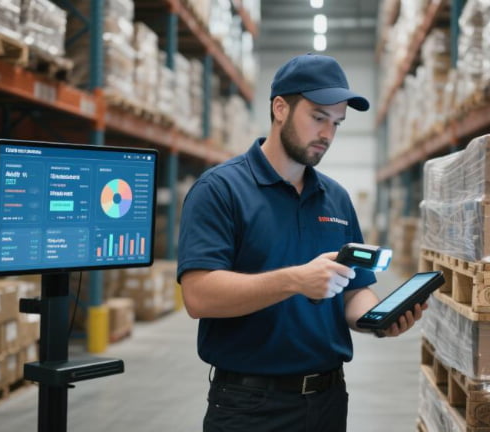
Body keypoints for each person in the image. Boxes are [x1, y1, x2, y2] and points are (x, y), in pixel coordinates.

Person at [177, 53, 427, 432]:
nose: (327, 134)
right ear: (280, 107)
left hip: (328, 400)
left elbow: (353, 291)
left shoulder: (337, 199)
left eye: (337, 123)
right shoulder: (221, 190)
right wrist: (294, 280)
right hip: (250, 406)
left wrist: (378, 319)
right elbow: (198, 296)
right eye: (318, 117)